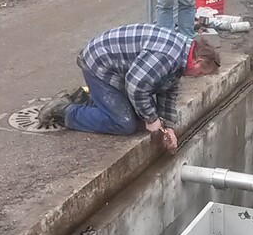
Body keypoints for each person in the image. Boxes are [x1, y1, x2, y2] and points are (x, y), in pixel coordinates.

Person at [37, 24, 220, 153]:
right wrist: (151, 118)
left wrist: (168, 126)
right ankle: (65, 110)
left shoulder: (182, 55)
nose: (198, 76)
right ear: (198, 61)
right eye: (201, 72)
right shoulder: (168, 56)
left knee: (141, 117)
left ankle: (85, 100)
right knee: (125, 123)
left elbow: (168, 90)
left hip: (118, 70)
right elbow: (136, 85)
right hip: (100, 65)